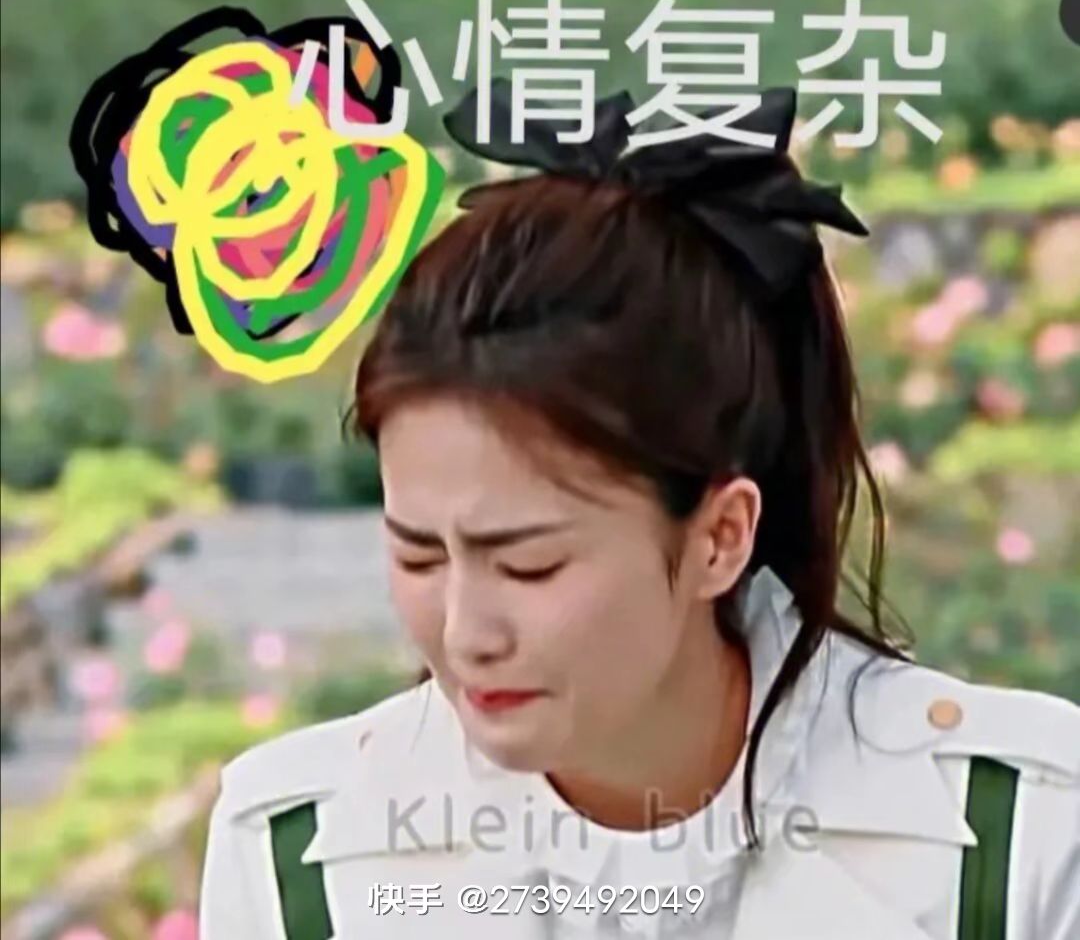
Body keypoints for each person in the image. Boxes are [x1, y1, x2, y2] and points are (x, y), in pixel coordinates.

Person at [198, 84, 1079, 939]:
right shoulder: (302, 864)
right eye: (419, 556)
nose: (466, 633)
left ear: (719, 537)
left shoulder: (1010, 834)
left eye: (529, 564)